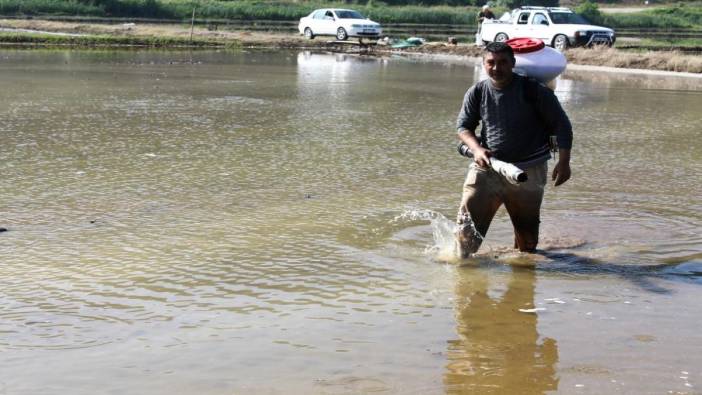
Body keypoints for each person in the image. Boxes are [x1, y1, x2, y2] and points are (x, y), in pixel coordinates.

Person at [455, 42, 573, 257]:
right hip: (487, 169)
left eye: (502, 62)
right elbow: (463, 128)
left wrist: (564, 162)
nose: (496, 68)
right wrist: (477, 149)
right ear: (483, 64)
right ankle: (464, 278)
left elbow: (562, 125)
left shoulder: (534, 91)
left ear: (513, 63)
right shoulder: (478, 91)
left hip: (528, 171)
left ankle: (522, 265)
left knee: (527, 245)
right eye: (491, 62)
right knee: (465, 238)